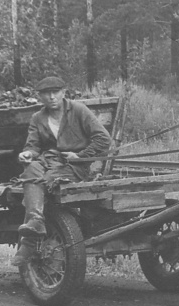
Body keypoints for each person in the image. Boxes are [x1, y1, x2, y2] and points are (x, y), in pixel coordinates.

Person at [11, 76, 112, 266]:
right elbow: (33, 146)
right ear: (40, 97)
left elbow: (103, 139)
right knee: (30, 169)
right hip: (47, 160)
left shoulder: (78, 110)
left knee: (45, 181)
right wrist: (27, 154)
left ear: (63, 93)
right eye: (46, 94)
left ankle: (28, 242)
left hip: (73, 166)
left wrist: (81, 156)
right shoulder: (38, 118)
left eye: (55, 92)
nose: (51, 97)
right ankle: (36, 222)